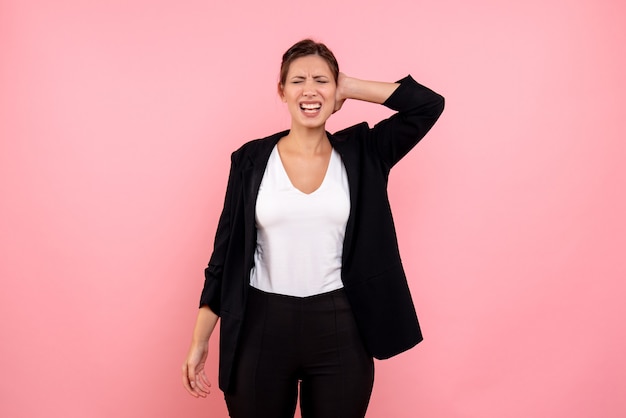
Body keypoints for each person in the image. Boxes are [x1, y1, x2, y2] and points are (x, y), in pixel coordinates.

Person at [182, 39, 444, 418]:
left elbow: (427, 105)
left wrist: (348, 85)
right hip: (260, 325)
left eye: (321, 81)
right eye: (297, 81)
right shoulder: (250, 160)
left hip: (339, 325)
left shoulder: (364, 153)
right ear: (282, 91)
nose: (309, 90)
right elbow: (224, 256)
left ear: (335, 89)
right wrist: (199, 339)